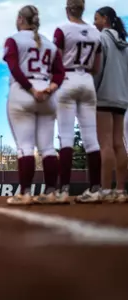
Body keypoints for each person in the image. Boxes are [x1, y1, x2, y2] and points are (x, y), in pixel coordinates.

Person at [3, 5, 65, 205]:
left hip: (23, 93)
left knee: (25, 147)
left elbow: (14, 68)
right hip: (47, 94)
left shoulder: (14, 40)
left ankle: (25, 192)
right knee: (47, 148)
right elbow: (60, 73)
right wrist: (50, 88)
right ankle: (51, 192)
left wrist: (31, 89)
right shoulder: (49, 44)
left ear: (21, 19)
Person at [53, 0, 102, 203]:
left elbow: (56, 60)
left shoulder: (63, 30)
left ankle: (63, 189)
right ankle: (95, 188)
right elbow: (96, 66)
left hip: (67, 78)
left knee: (65, 137)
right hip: (87, 80)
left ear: (67, 10)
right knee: (91, 138)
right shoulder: (95, 32)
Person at [93, 6, 128, 202]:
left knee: (105, 143)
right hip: (122, 98)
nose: (94, 22)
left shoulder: (101, 40)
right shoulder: (125, 43)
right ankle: (121, 190)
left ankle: (105, 189)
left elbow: (97, 69)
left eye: (96, 18)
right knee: (118, 143)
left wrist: (94, 91)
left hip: (105, 95)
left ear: (105, 19)